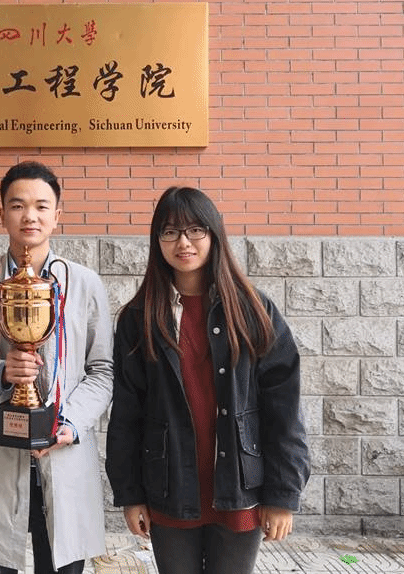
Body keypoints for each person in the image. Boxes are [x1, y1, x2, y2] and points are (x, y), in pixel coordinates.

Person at [105, 186, 310, 574]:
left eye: (195, 230)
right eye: (170, 232)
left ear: (214, 234)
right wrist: (130, 495)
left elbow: (284, 408)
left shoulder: (253, 309)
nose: (183, 242)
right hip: (169, 488)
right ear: (157, 241)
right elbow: (127, 414)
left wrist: (283, 494)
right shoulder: (139, 317)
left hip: (240, 489)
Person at [0, 161, 113, 574]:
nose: (29, 216)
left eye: (41, 206)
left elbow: (102, 370)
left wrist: (69, 423)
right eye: (18, 205)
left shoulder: (83, 283)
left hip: (64, 455)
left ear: (57, 215)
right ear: (1, 213)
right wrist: (2, 371)